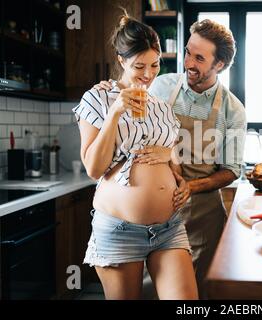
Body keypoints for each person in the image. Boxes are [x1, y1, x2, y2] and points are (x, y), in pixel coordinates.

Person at [95, 19, 247, 297]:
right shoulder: (161, 86)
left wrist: (190, 187)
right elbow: (128, 124)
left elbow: (231, 169)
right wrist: (114, 87)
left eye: (199, 58)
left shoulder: (233, 110)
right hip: (149, 221)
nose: (188, 62)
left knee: (196, 295)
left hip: (203, 217)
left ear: (219, 65)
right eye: (188, 52)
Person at [74, 12, 198, 300]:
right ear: (120, 60)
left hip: (169, 227)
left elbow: (172, 162)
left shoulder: (161, 106)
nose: (148, 73)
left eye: (154, 64)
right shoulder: (98, 98)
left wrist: (180, 179)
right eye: (138, 65)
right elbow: (94, 168)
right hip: (119, 229)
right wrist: (115, 112)